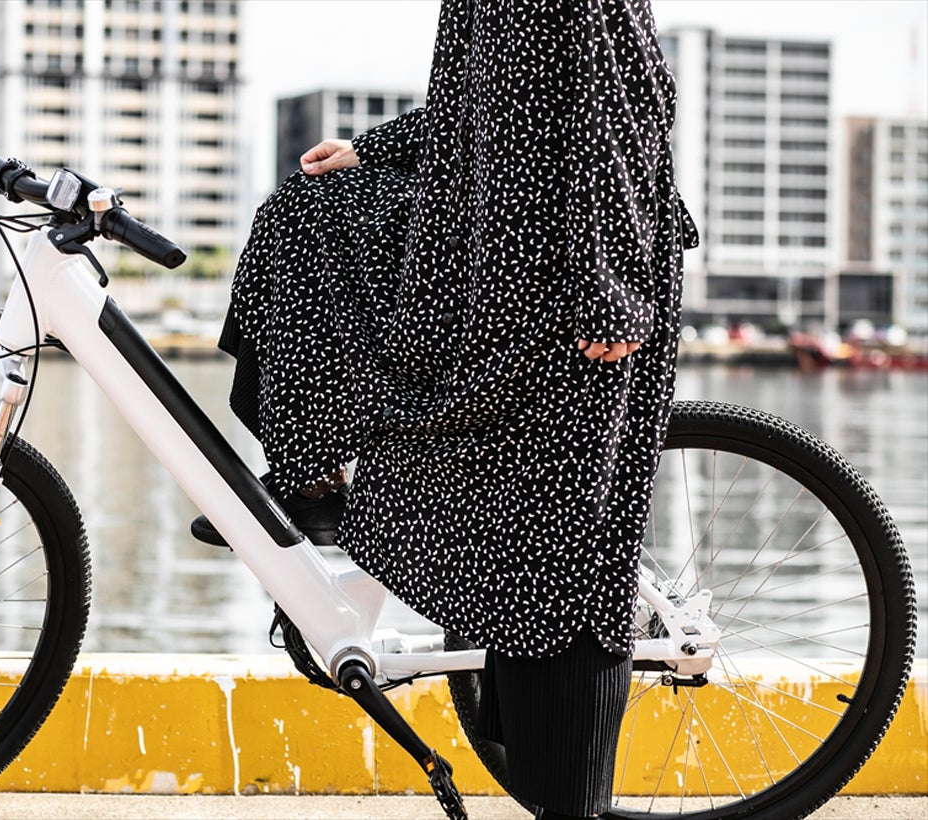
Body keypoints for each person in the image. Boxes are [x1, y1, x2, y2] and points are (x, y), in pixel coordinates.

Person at [198, 0, 696, 816]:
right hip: (477, 252)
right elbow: (477, 112)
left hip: (565, 274)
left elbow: (627, 107)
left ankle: (566, 798)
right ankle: (309, 480)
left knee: (556, 554)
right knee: (303, 215)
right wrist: (373, 149)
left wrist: (610, 287)